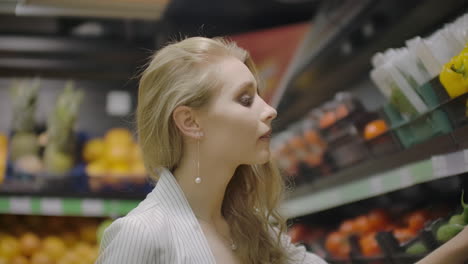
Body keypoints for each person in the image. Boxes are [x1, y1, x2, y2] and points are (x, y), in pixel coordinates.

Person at [96, 36, 468, 264]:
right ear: (191, 122)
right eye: (245, 100)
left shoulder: (255, 229)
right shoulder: (142, 236)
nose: (269, 109)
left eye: (259, 94)